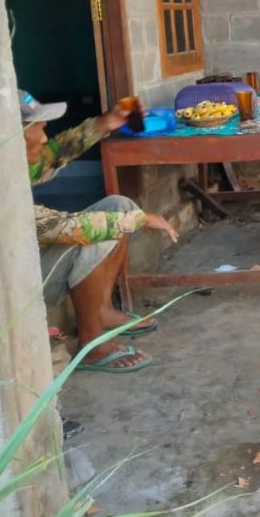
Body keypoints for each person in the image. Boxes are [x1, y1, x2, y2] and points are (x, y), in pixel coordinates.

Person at [21, 90, 178, 372]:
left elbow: (51, 155)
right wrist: (141, 219)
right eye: (39, 130)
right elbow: (71, 228)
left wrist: (104, 123)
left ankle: (102, 309)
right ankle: (91, 345)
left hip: (33, 265)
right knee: (94, 235)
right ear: (12, 137)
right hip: (20, 292)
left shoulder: (10, 164)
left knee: (118, 205)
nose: (44, 139)